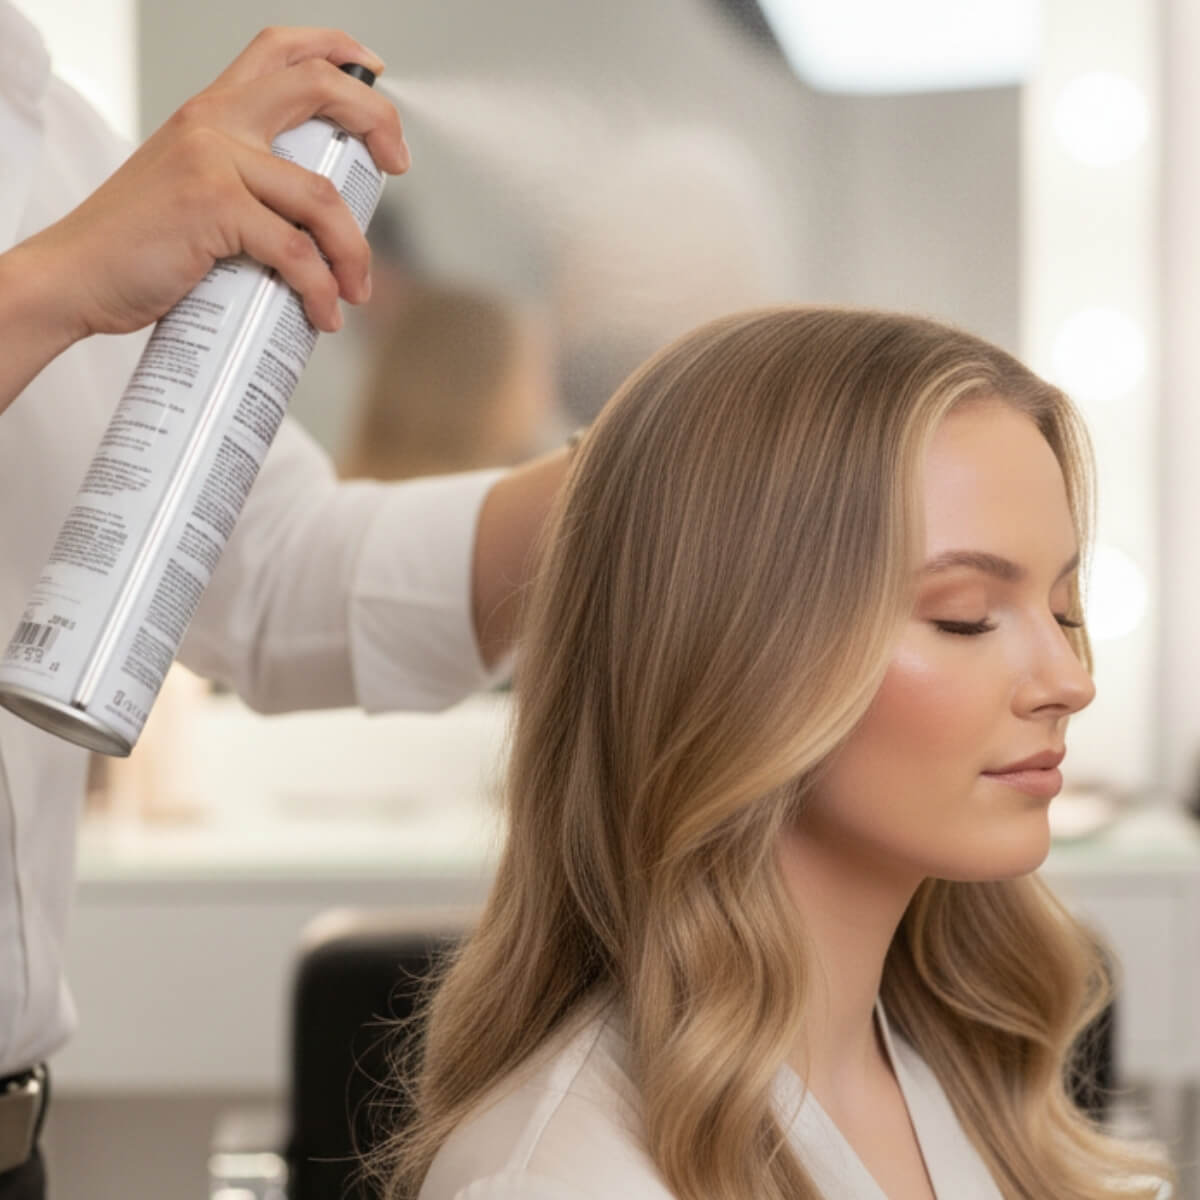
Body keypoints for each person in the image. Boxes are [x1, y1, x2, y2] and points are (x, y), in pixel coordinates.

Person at [369, 308, 1173, 1199]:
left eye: (1064, 610)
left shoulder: (960, 1081)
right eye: (965, 616)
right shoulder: (561, 1182)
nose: (1069, 678)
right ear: (739, 658)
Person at [0, 12, 569, 1197]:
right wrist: (50, 284)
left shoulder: (47, 131)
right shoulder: (81, 195)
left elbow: (274, 577)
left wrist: (651, 469)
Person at [340, 282, 556, 480]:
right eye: (532, 376)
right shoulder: (487, 509)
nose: (546, 396)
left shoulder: (357, 490)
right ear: (481, 392)